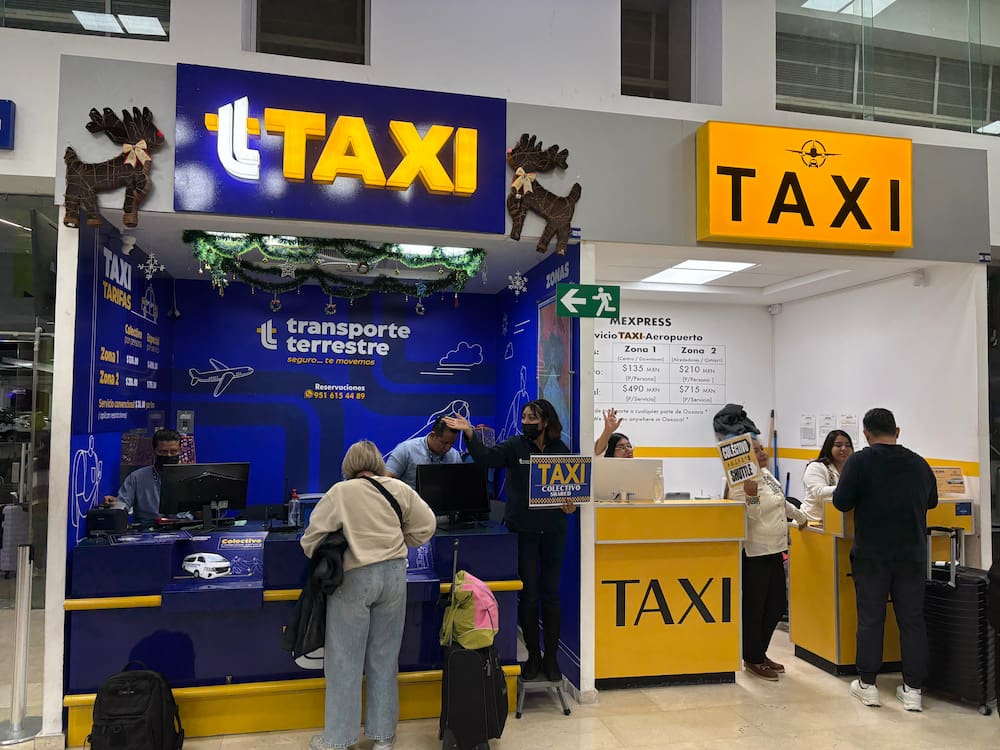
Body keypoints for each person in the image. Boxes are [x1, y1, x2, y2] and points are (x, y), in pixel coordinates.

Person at [301, 440, 436, 750]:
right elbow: (427, 525)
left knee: (344, 661)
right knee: (385, 659)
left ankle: (338, 740)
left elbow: (310, 541)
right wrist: (402, 540)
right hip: (394, 576)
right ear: (378, 462)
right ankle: (383, 738)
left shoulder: (340, 492)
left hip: (354, 578)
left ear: (348, 465)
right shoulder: (398, 489)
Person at [444, 399, 574, 682]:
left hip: (554, 530)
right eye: (524, 417)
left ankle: (551, 658)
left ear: (546, 422)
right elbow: (486, 458)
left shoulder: (560, 450)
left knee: (550, 595)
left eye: (532, 418)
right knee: (528, 595)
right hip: (523, 531)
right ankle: (534, 656)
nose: (526, 422)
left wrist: (571, 504)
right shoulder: (515, 446)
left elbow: (570, 488)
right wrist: (469, 433)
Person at [833, 408, 937, 712]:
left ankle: (868, 685)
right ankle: (913, 690)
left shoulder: (859, 461)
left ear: (866, 434)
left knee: (871, 618)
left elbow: (841, 502)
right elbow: (931, 501)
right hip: (912, 555)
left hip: (872, 555)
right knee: (913, 620)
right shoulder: (919, 463)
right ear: (897, 431)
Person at [727, 435, 808, 681]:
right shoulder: (738, 482)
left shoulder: (768, 475)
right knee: (755, 608)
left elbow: (781, 502)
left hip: (775, 548)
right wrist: (751, 496)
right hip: (755, 552)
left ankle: (759, 652)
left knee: (776, 604)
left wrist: (801, 517)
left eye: (762, 448)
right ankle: (753, 657)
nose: (762, 453)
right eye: (756, 450)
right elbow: (749, 517)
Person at [103, 428, 182, 524]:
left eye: (173, 452)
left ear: (180, 451)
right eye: (163, 452)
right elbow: (122, 505)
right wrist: (115, 505)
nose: (168, 456)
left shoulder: (191, 476)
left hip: (186, 526)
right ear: (154, 451)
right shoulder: (137, 477)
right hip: (148, 528)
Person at [385, 418, 463, 488]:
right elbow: (386, 480)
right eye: (444, 443)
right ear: (433, 435)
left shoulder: (454, 455)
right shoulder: (406, 449)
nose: (448, 448)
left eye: (452, 443)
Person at [801, 430, 854, 523]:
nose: (844, 448)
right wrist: (847, 487)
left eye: (848, 445)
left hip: (838, 522)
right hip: (812, 522)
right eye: (838, 445)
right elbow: (819, 493)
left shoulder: (851, 468)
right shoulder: (816, 467)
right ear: (829, 447)